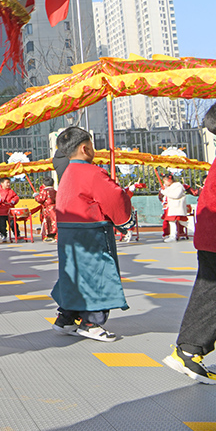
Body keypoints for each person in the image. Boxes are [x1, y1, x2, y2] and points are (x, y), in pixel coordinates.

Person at [163, 100, 216, 384]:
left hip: (213, 237)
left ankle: (188, 351)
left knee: (212, 295)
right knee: (214, 296)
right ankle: (187, 352)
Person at [50, 127, 135, 342]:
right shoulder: (92, 172)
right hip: (91, 232)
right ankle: (91, 322)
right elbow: (114, 197)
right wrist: (125, 220)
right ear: (85, 148)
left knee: (73, 274)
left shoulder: (67, 173)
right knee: (98, 274)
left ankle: (66, 317)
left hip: (68, 233)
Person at [160, 173, 188, 242]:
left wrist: (165, 192)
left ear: (169, 180)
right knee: (172, 222)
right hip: (172, 208)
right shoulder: (170, 187)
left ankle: (173, 236)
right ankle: (172, 236)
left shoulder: (178, 186)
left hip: (177, 207)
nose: (164, 183)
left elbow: (176, 195)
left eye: (165, 181)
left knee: (183, 222)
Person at [34, 176, 58, 242]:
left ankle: (49, 235)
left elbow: (40, 199)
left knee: (48, 222)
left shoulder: (44, 191)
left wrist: (36, 196)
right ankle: (55, 235)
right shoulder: (55, 191)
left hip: (48, 209)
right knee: (54, 221)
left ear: (44, 184)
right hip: (55, 208)